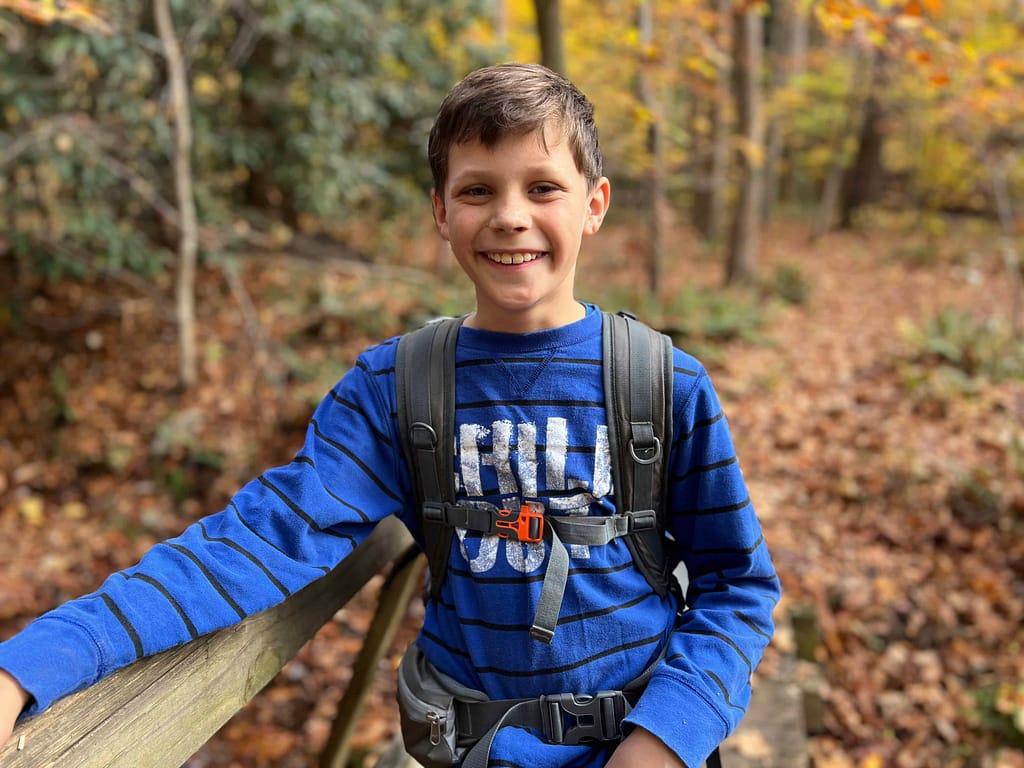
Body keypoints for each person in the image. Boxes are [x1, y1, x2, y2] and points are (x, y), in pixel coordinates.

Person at [0, 62, 779, 767]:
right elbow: (258, 539)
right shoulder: (396, 387)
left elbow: (738, 586)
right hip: (469, 749)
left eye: (542, 188)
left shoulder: (660, 382)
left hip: (642, 742)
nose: (510, 215)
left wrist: (664, 741)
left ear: (594, 206)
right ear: (441, 212)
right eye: (478, 190)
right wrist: (29, 666)